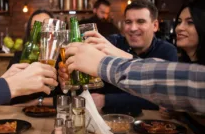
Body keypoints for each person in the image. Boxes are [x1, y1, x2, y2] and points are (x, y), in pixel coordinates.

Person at [59, 0, 178, 114]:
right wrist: (71, 75)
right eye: (128, 22)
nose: (133, 28)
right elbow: (91, 86)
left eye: (140, 21)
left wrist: (106, 100)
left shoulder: (166, 51)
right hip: (108, 121)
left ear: (155, 25)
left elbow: (163, 100)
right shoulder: (111, 42)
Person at [64, 42, 205, 114]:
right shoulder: (117, 41)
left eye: (190, 22)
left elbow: (179, 83)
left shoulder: (167, 49)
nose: (180, 27)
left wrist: (101, 63)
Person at [159, 0, 205, 134]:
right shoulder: (185, 64)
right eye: (179, 22)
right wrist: (176, 112)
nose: (179, 28)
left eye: (190, 22)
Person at [8, 9, 55, 107]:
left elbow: (71, 98)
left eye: (46, 27)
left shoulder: (63, 58)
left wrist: (39, 101)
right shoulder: (20, 57)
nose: (42, 32)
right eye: (36, 28)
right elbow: (11, 97)